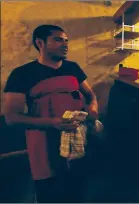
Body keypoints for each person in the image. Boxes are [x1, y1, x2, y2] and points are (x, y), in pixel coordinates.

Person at [3, 25, 99, 203]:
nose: (65, 44)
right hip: (44, 144)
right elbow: (12, 117)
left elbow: (90, 95)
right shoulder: (22, 74)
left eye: (66, 40)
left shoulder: (73, 68)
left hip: (78, 140)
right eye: (58, 39)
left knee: (78, 188)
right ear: (40, 43)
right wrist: (53, 122)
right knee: (51, 192)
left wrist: (93, 108)